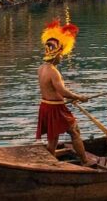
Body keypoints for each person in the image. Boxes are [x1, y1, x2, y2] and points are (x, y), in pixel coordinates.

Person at [36, 19, 91, 165]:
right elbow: (62, 91)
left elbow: (52, 90)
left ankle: (50, 163)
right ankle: (85, 161)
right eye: (61, 55)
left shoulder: (41, 68)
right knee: (75, 131)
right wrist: (79, 97)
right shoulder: (53, 72)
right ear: (56, 54)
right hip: (56, 108)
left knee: (53, 138)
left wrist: (68, 98)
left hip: (45, 106)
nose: (62, 57)